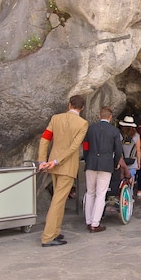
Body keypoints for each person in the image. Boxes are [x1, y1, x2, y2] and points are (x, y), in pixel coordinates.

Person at [38, 95, 89, 247]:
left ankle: (55, 231)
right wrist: (56, 161)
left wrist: (42, 160)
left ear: (69, 105)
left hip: (53, 165)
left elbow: (45, 139)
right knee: (58, 202)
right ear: (82, 108)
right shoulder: (82, 123)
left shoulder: (56, 118)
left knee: (58, 200)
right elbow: (74, 147)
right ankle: (47, 237)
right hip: (65, 166)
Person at [83, 106, 125, 233]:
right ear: (110, 117)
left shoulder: (91, 129)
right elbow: (118, 149)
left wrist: (87, 158)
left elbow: (85, 146)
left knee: (90, 193)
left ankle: (88, 221)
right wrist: (116, 162)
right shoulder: (114, 131)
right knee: (101, 194)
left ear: (99, 116)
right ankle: (95, 224)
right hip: (106, 164)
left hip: (91, 163)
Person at [118, 116, 141, 189]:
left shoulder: (119, 135)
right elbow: (138, 150)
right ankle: (129, 197)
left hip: (121, 162)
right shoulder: (136, 136)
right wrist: (138, 163)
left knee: (121, 181)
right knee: (130, 181)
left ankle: (121, 197)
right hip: (133, 162)